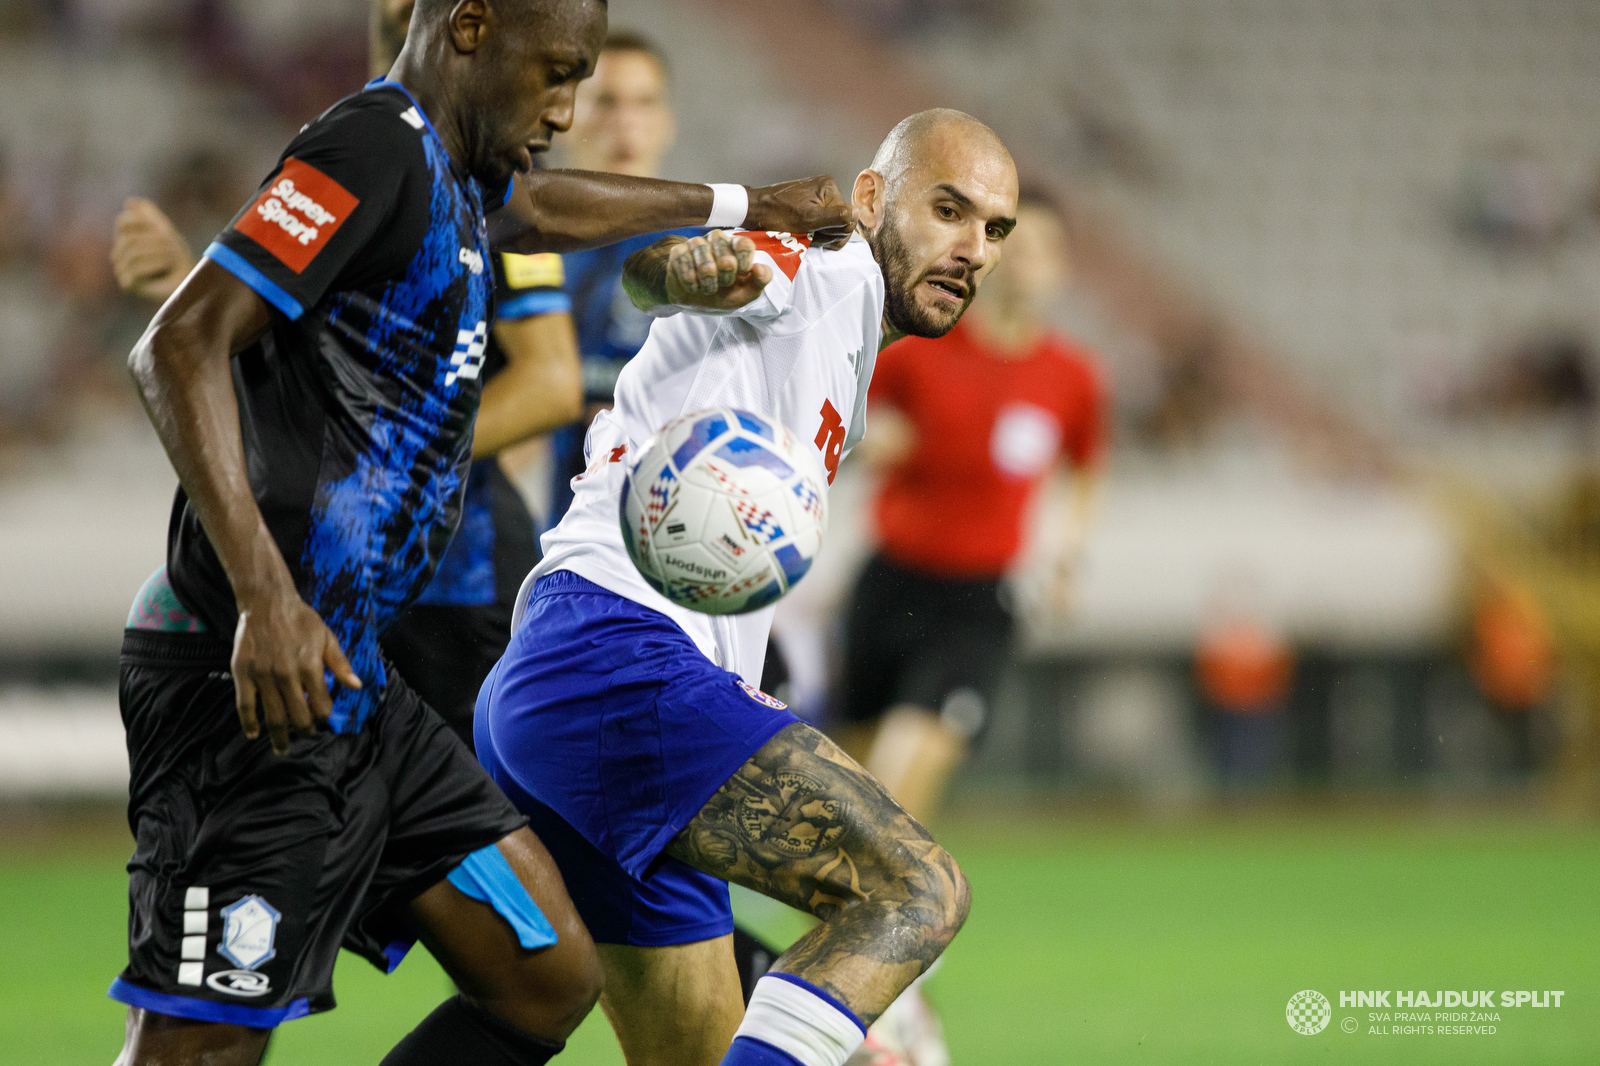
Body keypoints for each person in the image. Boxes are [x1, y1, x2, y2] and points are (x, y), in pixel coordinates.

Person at [109, 0, 855, 1063]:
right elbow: (178, 343)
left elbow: (546, 209)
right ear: (468, 26)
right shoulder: (371, 143)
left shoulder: (456, 176)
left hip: (359, 685)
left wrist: (750, 202)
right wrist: (267, 598)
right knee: (201, 1042)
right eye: (555, 73)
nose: (568, 106)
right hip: (255, 676)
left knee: (545, 975)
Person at [477, 108, 1018, 1066]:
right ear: (866, 198)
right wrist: (677, 267)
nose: (972, 249)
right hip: (611, 662)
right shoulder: (824, 273)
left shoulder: (846, 360)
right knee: (917, 890)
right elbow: (690, 272)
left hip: (574, 691)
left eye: (994, 230)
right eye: (948, 210)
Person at [114, 0, 583, 748]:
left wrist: (396, 465)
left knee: (453, 837)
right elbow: (228, 340)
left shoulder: (484, 167)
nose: (406, 15)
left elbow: (551, 377)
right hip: (328, 575)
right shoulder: (363, 144)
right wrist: (190, 276)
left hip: (457, 584)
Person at [830, 192, 1105, 1065]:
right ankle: (848, 993)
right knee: (848, 808)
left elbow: (1085, 470)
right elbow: (847, 427)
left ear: (1061, 271)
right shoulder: (922, 351)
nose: (1024, 263)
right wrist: (877, 442)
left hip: (978, 606)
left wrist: (1066, 553)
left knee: (902, 788)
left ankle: (886, 1008)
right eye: (1010, 246)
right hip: (888, 591)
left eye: (1041, 251)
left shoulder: (1072, 378)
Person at [545, 29, 699, 527]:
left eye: (644, 103)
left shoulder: (707, 257)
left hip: (672, 530)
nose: (626, 122)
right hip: (549, 535)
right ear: (563, 118)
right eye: (606, 101)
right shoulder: (522, 247)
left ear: (668, 124)